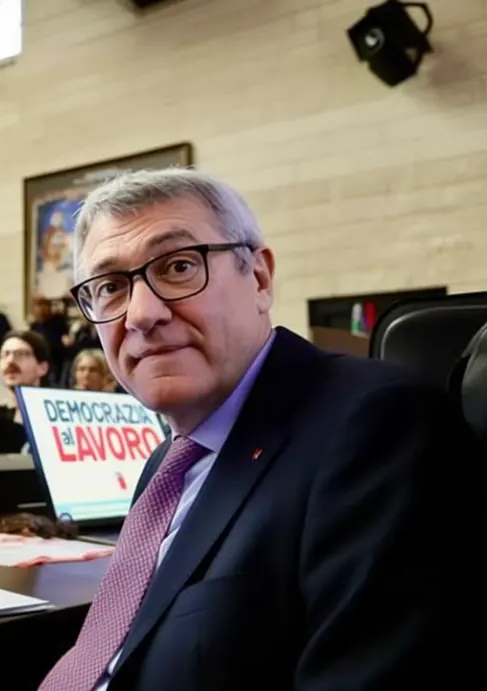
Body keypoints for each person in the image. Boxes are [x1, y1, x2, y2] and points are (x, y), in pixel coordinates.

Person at [36, 169, 480, 691]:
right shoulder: (167, 464)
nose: (141, 314)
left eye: (179, 267)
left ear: (260, 279)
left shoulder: (378, 425)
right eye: (110, 287)